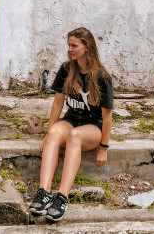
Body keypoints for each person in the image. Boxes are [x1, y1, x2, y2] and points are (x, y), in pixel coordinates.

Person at [29, 27, 113, 222]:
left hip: (94, 127)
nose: (70, 49)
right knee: (56, 130)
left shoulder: (102, 77)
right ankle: (44, 192)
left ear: (87, 47)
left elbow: (107, 118)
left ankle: (62, 197)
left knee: (75, 135)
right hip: (73, 119)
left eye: (74, 45)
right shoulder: (67, 69)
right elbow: (58, 102)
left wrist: (104, 148)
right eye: (69, 45)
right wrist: (48, 134)